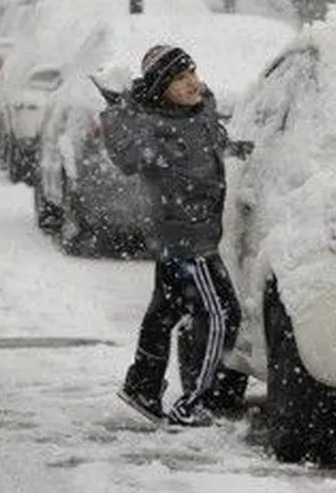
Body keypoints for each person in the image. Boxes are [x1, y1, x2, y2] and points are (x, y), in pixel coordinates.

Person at [101, 45, 250, 427]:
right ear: (160, 89)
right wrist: (118, 109)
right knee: (221, 314)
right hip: (187, 235)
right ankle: (194, 404)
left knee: (165, 310)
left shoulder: (199, 112)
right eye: (180, 79)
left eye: (193, 73)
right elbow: (127, 157)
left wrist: (240, 148)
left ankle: (143, 387)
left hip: (189, 233)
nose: (192, 83)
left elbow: (213, 141)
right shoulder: (152, 126)